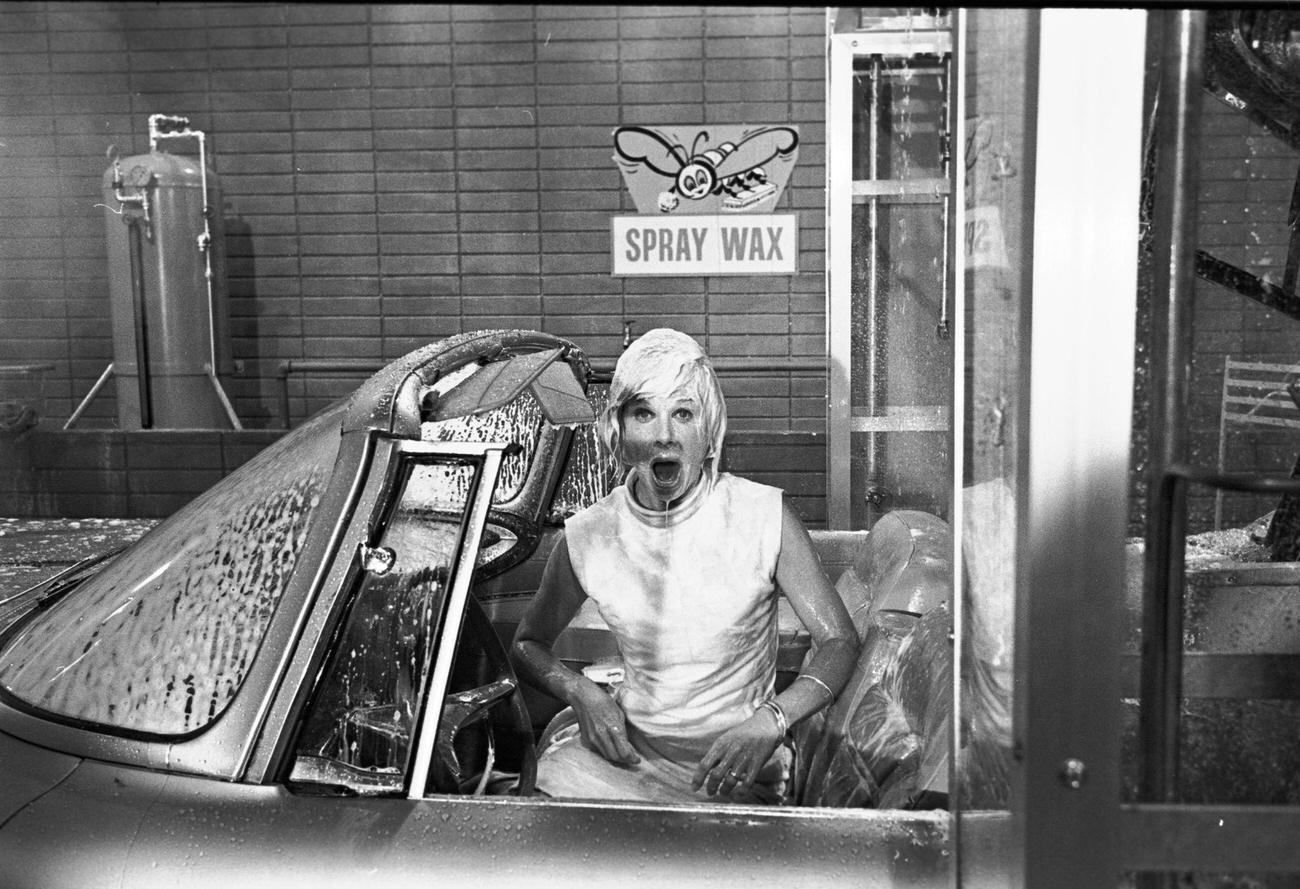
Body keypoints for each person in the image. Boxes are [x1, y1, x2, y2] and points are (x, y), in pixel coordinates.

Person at [510, 328, 859, 804]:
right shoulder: (589, 534)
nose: (664, 436)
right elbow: (528, 645)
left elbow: (839, 641)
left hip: (736, 766)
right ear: (620, 430)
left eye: (683, 413)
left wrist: (772, 720)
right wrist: (581, 693)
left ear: (707, 429)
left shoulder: (763, 516)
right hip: (621, 760)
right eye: (644, 414)